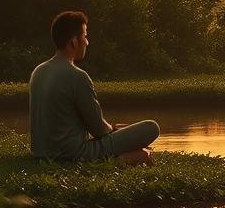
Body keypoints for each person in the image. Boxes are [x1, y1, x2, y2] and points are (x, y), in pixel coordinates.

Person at [29, 10, 159, 165]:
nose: (87, 42)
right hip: (72, 154)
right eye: (85, 36)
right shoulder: (77, 76)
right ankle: (122, 159)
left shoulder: (38, 71)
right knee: (151, 127)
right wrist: (113, 130)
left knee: (122, 130)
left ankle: (131, 153)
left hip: (40, 153)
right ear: (74, 42)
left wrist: (114, 129)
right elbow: (99, 130)